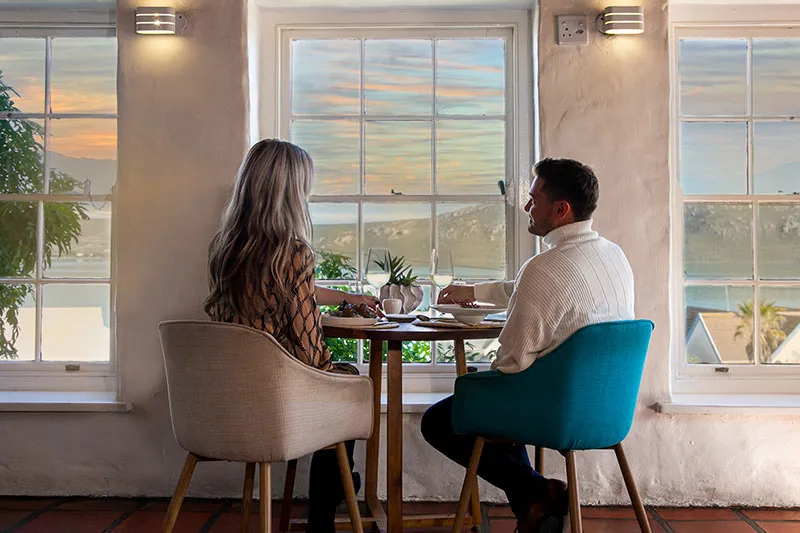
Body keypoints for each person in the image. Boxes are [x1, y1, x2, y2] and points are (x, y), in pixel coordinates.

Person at [421, 158, 635, 533]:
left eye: (534, 199)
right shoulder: (613, 255)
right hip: (608, 409)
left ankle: (541, 491)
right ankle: (535, 512)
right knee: (504, 398)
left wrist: (482, 383)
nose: (526, 206)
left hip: (557, 413)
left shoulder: (545, 268)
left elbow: (511, 364)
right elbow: (531, 288)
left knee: (441, 420)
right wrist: (473, 291)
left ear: (560, 209)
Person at [204, 139, 378, 533]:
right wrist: (333, 371)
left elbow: (283, 291)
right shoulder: (294, 252)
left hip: (232, 395)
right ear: (290, 193)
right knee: (348, 380)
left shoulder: (226, 249)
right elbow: (309, 349)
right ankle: (327, 507)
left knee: (338, 383)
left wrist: (349, 298)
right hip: (276, 400)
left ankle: (337, 486)